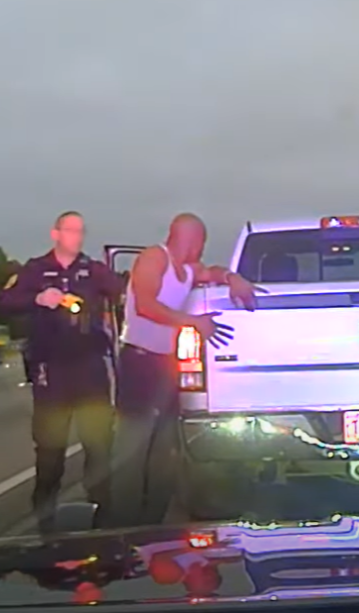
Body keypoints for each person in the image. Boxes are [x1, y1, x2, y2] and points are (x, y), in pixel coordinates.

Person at [104, 213, 259, 528]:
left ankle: (152, 525)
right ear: (188, 238)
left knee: (164, 451)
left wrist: (231, 277)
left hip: (164, 364)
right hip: (140, 361)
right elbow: (145, 305)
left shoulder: (187, 270)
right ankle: (120, 529)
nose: (202, 249)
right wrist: (193, 322)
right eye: (201, 241)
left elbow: (211, 272)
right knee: (132, 450)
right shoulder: (154, 258)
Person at [0, 211, 124, 533]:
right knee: (51, 451)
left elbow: (126, 291)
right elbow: (5, 300)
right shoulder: (36, 269)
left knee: (99, 445)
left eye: (81, 231)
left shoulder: (93, 271)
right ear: (56, 233)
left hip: (89, 368)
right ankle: (44, 523)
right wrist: (40, 297)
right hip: (51, 370)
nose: (76, 237)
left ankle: (104, 520)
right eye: (70, 230)